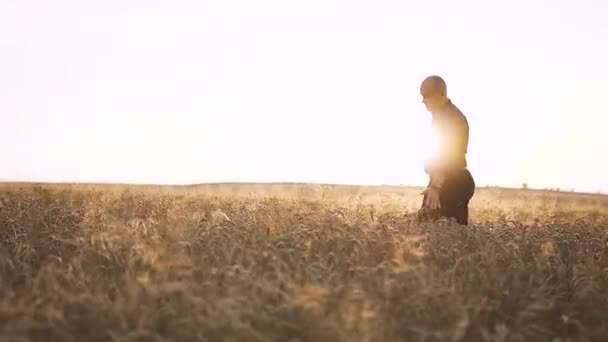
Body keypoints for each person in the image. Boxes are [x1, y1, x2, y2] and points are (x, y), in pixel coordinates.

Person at [417, 75, 475, 225]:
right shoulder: (441, 115)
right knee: (427, 230)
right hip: (445, 181)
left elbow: (451, 156)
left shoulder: (451, 118)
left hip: (452, 183)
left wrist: (436, 187)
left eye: (426, 95)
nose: (423, 101)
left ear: (440, 94)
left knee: (445, 234)